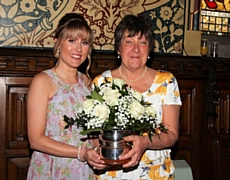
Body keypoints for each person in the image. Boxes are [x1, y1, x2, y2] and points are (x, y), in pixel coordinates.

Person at [92, 14, 182, 179]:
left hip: (155, 173)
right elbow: (93, 134)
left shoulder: (166, 82)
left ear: (149, 50)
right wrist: (96, 152)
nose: (136, 49)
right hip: (112, 173)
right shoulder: (101, 82)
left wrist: (146, 142)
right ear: (118, 48)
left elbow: (171, 134)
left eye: (142, 42)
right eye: (129, 41)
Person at [27, 13, 105, 179]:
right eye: (71, 41)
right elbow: (36, 140)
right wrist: (81, 153)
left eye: (84, 43)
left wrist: (98, 151)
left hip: (85, 170)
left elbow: (93, 132)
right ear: (57, 43)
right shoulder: (43, 81)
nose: (78, 49)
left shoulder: (87, 83)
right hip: (52, 168)